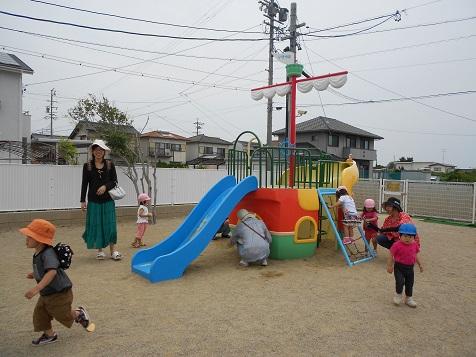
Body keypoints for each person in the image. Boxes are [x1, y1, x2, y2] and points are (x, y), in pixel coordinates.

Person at [20, 219, 94, 346]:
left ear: (39, 239)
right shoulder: (38, 252)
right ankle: (49, 335)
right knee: (40, 314)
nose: (26, 239)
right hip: (47, 292)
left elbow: (52, 272)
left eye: (29, 236)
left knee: (63, 315)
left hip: (59, 292)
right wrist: (35, 274)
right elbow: (45, 269)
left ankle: (78, 314)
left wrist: (36, 288)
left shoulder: (47, 253)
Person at [80, 139, 122, 260]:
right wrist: (82, 200)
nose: (98, 152)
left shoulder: (110, 165)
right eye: (96, 149)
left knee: (110, 225)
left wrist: (105, 187)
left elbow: (114, 181)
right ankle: (100, 250)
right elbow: (84, 184)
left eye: (101, 150)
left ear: (104, 152)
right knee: (97, 225)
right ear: (92, 151)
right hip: (93, 201)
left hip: (108, 200)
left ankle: (113, 251)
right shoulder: (87, 166)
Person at [386, 223, 423, 308]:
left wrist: (420, 264)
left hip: (410, 268)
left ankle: (408, 298)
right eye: (405, 236)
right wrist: (389, 266)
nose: (407, 239)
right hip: (399, 267)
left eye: (410, 237)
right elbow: (391, 255)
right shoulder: (396, 245)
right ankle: (398, 295)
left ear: (414, 237)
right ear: (400, 235)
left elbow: (416, 255)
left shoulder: (414, 244)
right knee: (400, 282)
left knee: (410, 283)